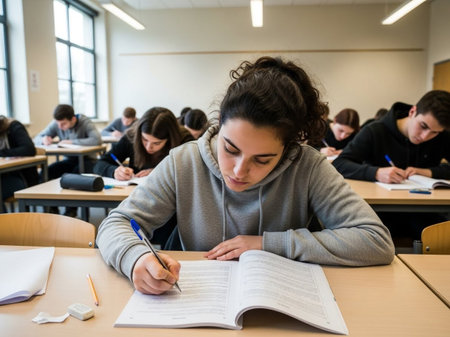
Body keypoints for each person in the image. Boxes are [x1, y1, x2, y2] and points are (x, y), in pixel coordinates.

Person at [96, 56, 394, 295]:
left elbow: (375, 240)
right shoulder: (183, 161)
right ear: (220, 124)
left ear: (288, 148)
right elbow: (117, 224)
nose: (239, 171)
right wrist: (135, 257)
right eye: (230, 148)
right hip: (199, 299)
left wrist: (268, 243)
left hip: (280, 301)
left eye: (262, 159)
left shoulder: (308, 166)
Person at [333, 90, 450, 240]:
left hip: (425, 211)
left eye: (435, 132)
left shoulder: (443, 137)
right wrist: (376, 172)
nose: (425, 136)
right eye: (423, 126)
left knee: (440, 238)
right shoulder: (374, 131)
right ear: (412, 111)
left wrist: (429, 172)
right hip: (380, 213)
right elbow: (339, 164)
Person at [34, 104, 102, 216]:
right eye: (58, 124)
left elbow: (97, 140)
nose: (60, 127)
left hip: (88, 160)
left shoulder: (85, 122)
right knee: (47, 172)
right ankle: (52, 209)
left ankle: (70, 212)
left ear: (73, 119)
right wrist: (43, 139)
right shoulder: (58, 123)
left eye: (63, 124)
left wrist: (73, 141)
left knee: (73, 177)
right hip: (70, 160)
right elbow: (36, 138)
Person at [94, 107, 194, 181]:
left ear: (170, 139)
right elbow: (100, 164)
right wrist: (114, 171)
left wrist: (158, 172)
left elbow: (192, 171)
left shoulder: (184, 139)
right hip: (136, 195)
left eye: (157, 143)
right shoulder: (132, 136)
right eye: (145, 139)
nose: (148, 147)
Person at [0, 116, 38, 211]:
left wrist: (2, 153)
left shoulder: (14, 127)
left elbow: (29, 149)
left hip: (20, 177)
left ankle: (4, 224)